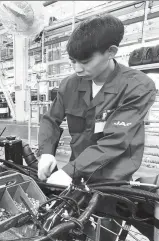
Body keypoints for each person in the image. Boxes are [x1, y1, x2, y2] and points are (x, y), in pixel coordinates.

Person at [37, 14, 156, 185]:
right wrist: (46, 152)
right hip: (77, 172)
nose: (77, 69)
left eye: (85, 61)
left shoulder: (137, 86)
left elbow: (115, 140)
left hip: (112, 177)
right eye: (72, 61)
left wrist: (70, 171)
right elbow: (50, 119)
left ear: (111, 52)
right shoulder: (70, 85)